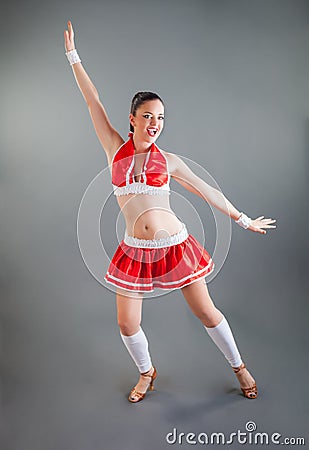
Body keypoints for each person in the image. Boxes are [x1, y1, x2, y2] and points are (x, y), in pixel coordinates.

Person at [64, 21, 276, 403]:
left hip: (175, 245)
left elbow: (206, 189)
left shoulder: (171, 161)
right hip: (134, 250)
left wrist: (242, 219)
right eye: (147, 116)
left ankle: (239, 366)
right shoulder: (115, 150)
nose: (155, 124)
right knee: (126, 323)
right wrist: (73, 57)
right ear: (132, 119)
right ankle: (147, 372)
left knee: (207, 313)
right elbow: (91, 99)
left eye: (160, 118)